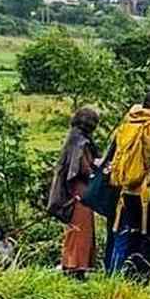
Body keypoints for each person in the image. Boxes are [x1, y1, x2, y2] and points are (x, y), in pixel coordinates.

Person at [108, 88, 150, 280]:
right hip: (146, 193)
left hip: (125, 190)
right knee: (147, 239)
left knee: (123, 236)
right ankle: (139, 281)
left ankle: (114, 278)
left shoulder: (126, 126)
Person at [48, 107, 101, 279]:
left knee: (74, 231)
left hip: (71, 192)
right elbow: (83, 169)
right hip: (79, 192)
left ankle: (72, 265)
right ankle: (75, 267)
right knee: (81, 231)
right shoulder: (81, 143)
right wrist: (99, 167)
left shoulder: (73, 138)